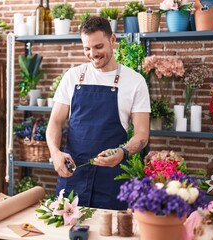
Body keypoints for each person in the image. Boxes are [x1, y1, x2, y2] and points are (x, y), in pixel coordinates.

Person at [46, 16, 150, 210]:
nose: (92, 54)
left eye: (98, 47)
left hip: (112, 181)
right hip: (73, 175)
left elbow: (142, 135)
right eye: (87, 48)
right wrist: (55, 152)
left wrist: (123, 152)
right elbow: (55, 122)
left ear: (112, 40)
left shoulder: (135, 82)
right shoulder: (73, 77)